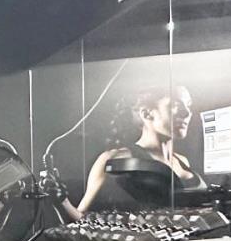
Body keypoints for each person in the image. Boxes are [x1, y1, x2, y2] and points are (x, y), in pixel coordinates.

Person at [71, 86, 207, 217]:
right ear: (147, 114)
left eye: (188, 105)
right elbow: (81, 217)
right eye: (175, 105)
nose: (187, 113)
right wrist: (62, 201)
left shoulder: (182, 161)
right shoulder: (113, 159)